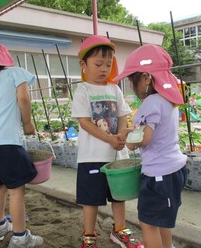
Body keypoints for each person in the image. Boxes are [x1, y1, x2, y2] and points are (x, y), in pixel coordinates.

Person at [71, 35, 142, 248]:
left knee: (119, 196)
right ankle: (89, 235)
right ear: (84, 65)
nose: (104, 69)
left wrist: (119, 136)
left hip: (117, 155)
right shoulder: (83, 90)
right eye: (98, 64)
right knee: (91, 198)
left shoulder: (115, 89)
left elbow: (123, 117)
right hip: (91, 157)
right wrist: (109, 139)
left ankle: (119, 230)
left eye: (108, 64)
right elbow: (84, 122)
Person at [113, 44, 187, 248]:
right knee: (162, 220)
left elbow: (143, 138)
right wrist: (130, 131)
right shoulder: (168, 100)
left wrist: (128, 141)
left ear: (146, 77)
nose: (130, 83)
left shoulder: (151, 102)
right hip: (174, 171)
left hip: (158, 176)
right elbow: (155, 130)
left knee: (148, 223)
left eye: (131, 79)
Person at [0, 43, 43, 248]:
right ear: (6, 60)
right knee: (16, 190)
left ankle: (0, 225)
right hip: (5, 143)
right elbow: (23, 97)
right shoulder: (15, 73)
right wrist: (28, 123)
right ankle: (21, 237)